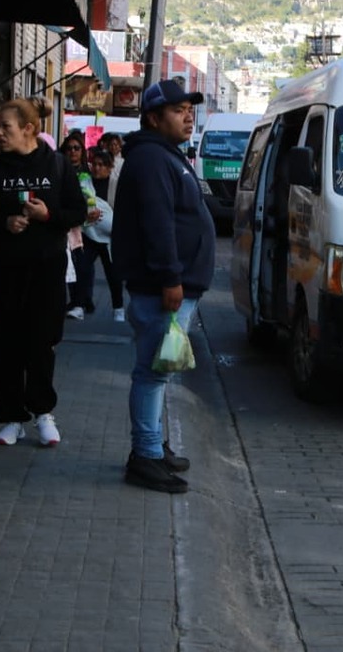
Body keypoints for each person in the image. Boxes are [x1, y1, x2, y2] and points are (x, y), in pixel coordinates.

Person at [112, 80, 216, 494]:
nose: (188, 117)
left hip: (174, 285)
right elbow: (158, 224)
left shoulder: (165, 154)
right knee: (153, 373)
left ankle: (154, 445)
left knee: (160, 371)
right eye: (178, 111)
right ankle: (145, 456)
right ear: (154, 118)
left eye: (190, 110)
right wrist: (170, 278)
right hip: (162, 289)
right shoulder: (152, 158)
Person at [0, 99, 86, 446]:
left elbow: (77, 212)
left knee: (42, 343)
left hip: (47, 269)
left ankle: (43, 412)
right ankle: (11, 417)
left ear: (28, 129)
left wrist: (48, 216)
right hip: (5, 269)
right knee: (5, 345)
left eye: (5, 127)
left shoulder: (57, 165)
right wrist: (4, 222)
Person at [80, 150, 124, 322]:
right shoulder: (85, 184)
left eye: (102, 165)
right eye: (95, 164)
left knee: (113, 274)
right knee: (82, 267)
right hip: (89, 234)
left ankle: (118, 308)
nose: (97, 168)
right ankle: (81, 302)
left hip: (110, 237)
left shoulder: (116, 184)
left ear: (109, 167)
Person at [64, 132, 100, 320]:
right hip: (70, 225)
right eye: (69, 148)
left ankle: (83, 299)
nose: (73, 152)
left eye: (76, 148)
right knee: (72, 263)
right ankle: (77, 300)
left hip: (88, 226)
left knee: (84, 265)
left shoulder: (88, 172)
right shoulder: (60, 170)